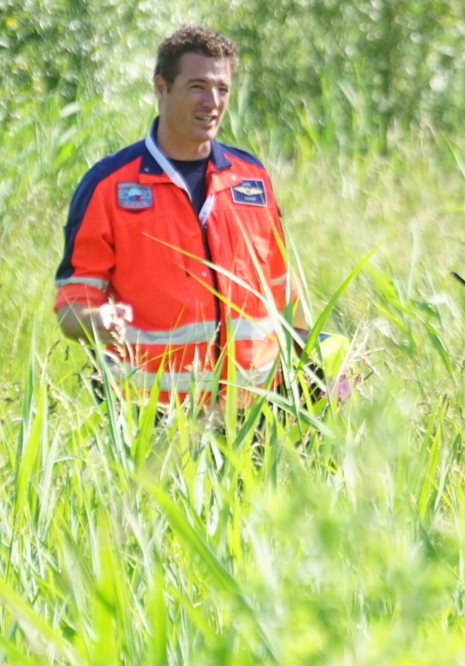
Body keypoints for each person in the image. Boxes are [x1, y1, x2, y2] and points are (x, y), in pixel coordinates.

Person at [54, 26, 307, 405]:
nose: (213, 102)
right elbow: (72, 303)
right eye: (197, 87)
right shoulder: (107, 185)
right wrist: (98, 323)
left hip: (254, 411)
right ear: (161, 87)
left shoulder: (252, 178)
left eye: (223, 89)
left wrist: (308, 369)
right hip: (150, 416)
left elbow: (283, 288)